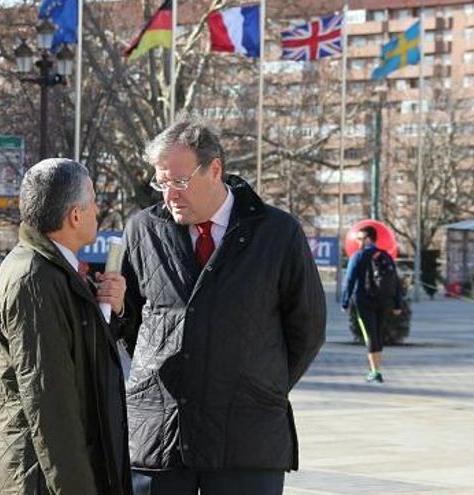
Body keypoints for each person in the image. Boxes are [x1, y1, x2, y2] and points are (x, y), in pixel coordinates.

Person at [119, 118, 327, 494]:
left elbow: (307, 328)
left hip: (247, 437)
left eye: (179, 182)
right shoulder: (142, 230)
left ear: (215, 170)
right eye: (161, 183)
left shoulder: (277, 232)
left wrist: (258, 382)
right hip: (161, 434)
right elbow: (131, 321)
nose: (170, 195)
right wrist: (170, 367)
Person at [0, 158, 133, 495]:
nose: (98, 208)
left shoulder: (55, 271)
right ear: (74, 216)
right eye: (93, 200)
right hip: (43, 480)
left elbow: (84, 360)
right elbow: (51, 407)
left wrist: (111, 309)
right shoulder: (35, 278)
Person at [341, 226, 402, 383]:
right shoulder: (386, 256)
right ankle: (375, 368)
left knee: (370, 335)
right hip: (383, 302)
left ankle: (375, 372)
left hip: (364, 301)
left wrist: (345, 302)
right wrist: (397, 304)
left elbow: (349, 280)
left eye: (361, 239)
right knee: (378, 333)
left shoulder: (358, 256)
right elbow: (395, 280)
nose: (358, 242)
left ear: (368, 239)